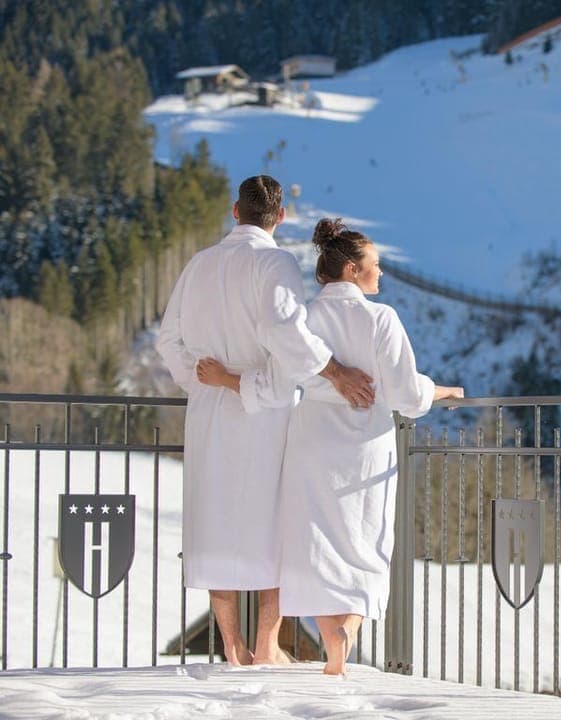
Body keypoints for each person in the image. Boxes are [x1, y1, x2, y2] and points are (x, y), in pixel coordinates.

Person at [196, 217, 463, 675]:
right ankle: (345, 635)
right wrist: (440, 391)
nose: (381, 272)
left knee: (313, 541)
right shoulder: (381, 318)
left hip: (312, 439)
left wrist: (226, 378)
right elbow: (404, 394)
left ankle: (326, 632)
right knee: (364, 540)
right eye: (375, 264)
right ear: (352, 270)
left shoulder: (305, 320)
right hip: (366, 442)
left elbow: (281, 379)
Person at [157, 177, 375, 666]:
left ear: (236, 211)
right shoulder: (274, 262)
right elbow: (285, 332)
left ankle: (231, 644)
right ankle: (267, 644)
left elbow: (169, 340)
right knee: (275, 524)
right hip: (265, 414)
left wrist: (204, 381)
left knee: (215, 520)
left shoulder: (200, 264)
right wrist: (335, 373)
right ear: (280, 217)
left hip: (210, 411)